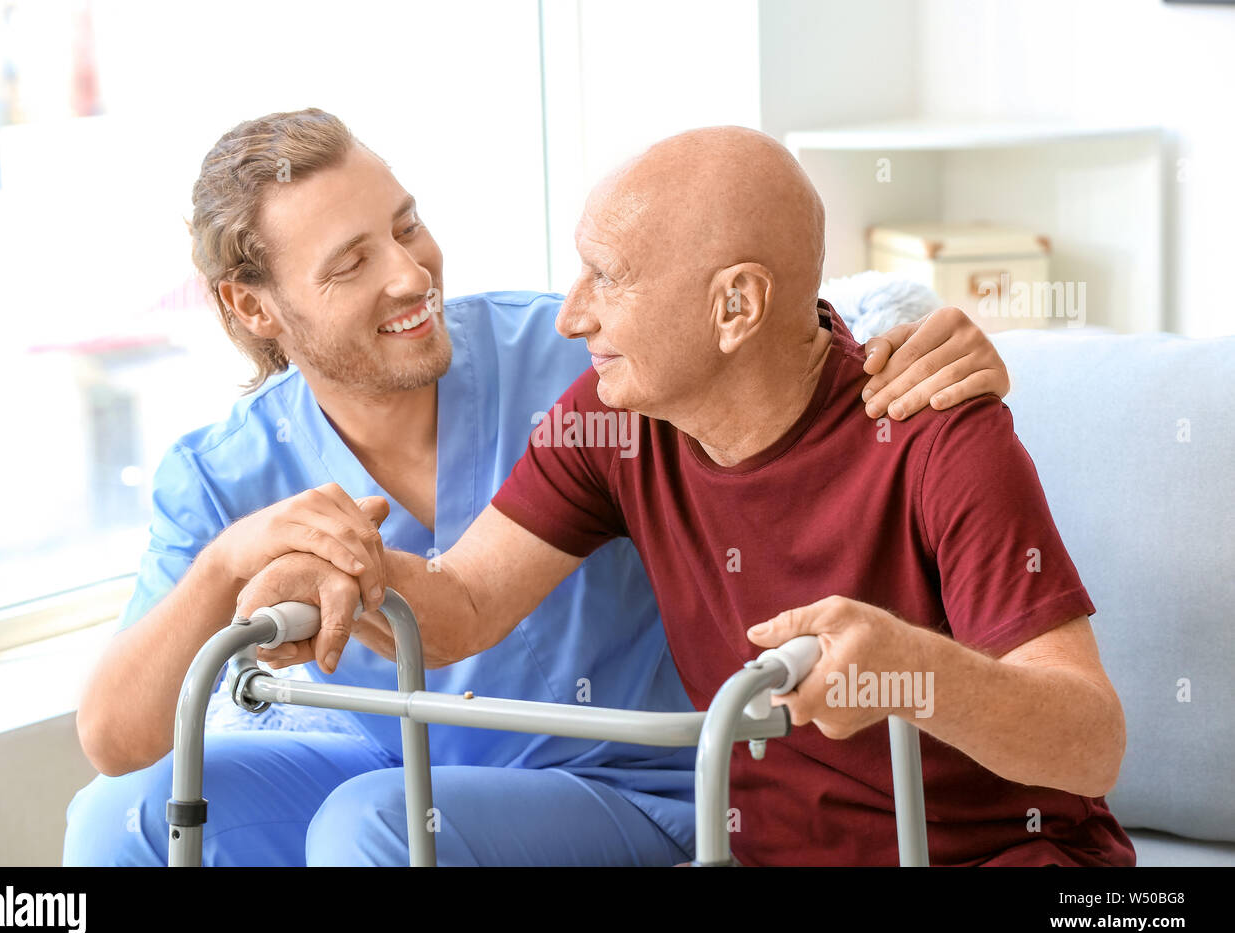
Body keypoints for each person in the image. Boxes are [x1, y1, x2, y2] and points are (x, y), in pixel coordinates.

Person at [64, 109, 1013, 866]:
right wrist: (232, 563)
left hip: (637, 781)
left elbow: (762, 337)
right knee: (121, 818)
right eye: (352, 263)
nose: (409, 275)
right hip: (404, 768)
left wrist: (939, 331)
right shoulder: (223, 469)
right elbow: (117, 736)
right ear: (251, 304)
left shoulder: (582, 362)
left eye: (407, 226)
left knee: (378, 821)